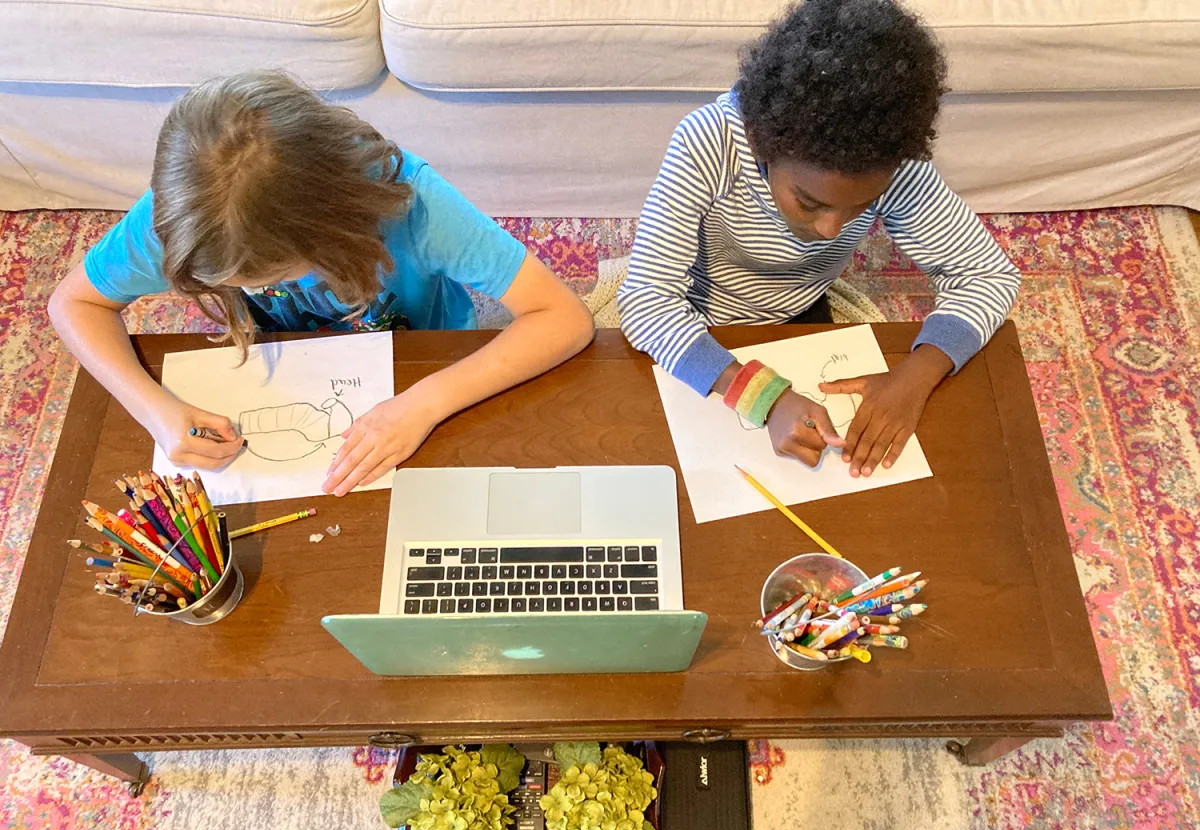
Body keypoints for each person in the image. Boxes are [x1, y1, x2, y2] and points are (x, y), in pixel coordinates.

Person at [49, 70, 595, 496]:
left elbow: (564, 317)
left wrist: (425, 402)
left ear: (329, 231)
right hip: (287, 378)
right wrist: (155, 411)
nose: (254, 293)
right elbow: (73, 303)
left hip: (424, 359)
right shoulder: (190, 217)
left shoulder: (415, 205)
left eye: (268, 279)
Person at [618, 0, 1021, 478]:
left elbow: (989, 276)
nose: (833, 230)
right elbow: (647, 303)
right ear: (764, 144)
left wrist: (916, 376)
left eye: (860, 207)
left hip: (799, 311)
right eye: (809, 202)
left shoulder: (896, 165)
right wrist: (763, 397)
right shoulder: (709, 143)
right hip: (700, 316)